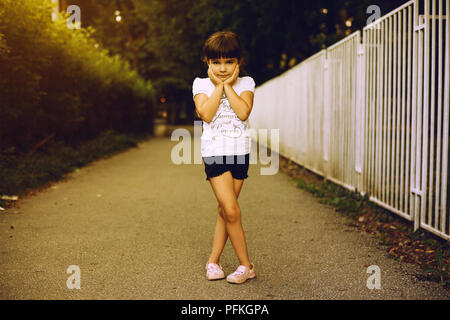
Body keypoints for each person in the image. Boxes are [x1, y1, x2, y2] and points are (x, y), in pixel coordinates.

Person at [192, 31, 256, 284]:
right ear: (207, 62)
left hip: (240, 152)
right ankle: (246, 265)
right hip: (215, 153)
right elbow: (206, 114)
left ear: (239, 61)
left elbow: (242, 112)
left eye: (229, 61)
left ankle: (213, 261)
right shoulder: (200, 84)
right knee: (231, 209)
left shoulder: (247, 83)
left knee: (224, 211)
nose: (222, 67)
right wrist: (219, 85)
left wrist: (229, 84)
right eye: (216, 62)